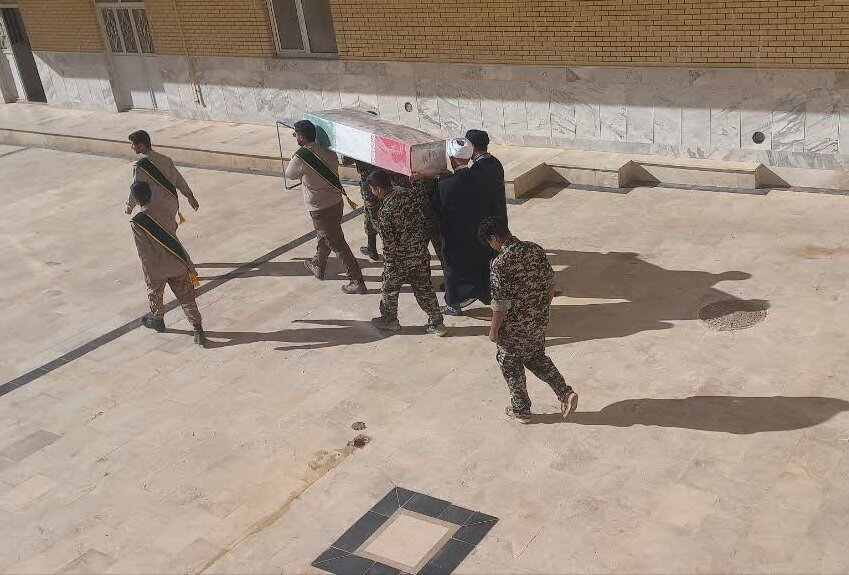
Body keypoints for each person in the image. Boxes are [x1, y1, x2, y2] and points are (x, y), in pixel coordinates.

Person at [480, 216, 577, 423]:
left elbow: (500, 304)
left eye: (490, 241)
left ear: (494, 237)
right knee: (536, 358)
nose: (491, 246)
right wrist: (539, 310)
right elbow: (550, 285)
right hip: (539, 319)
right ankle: (565, 393)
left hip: (514, 327)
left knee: (510, 363)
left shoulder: (500, 263)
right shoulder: (535, 249)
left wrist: (493, 329)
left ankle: (521, 410)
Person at [285, 120, 367, 294]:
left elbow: (289, 174)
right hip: (336, 202)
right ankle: (318, 264)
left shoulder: (301, 157)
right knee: (326, 235)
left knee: (337, 243)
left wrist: (295, 156)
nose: (295, 137)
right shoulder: (328, 150)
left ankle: (356, 280)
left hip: (319, 207)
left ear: (301, 136)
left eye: (296, 135)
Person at [366, 169, 447, 336]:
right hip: (419, 253)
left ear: (378, 189)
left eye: (372, 189)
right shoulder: (410, 194)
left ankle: (389, 320)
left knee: (389, 289)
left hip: (399, 260)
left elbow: (389, 244)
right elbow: (424, 193)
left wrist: (389, 266)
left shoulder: (385, 212)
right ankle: (436, 322)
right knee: (424, 289)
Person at [129, 181, 206, 347]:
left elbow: (144, 252)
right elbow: (173, 227)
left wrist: (148, 274)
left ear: (136, 199)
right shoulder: (164, 210)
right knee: (187, 297)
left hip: (157, 267)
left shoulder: (138, 222)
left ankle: (158, 320)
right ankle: (198, 329)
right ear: (150, 193)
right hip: (177, 260)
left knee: (155, 294)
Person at [438, 138, 496, 316]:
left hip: (454, 236)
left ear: (452, 159)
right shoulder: (481, 178)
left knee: (451, 268)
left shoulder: (445, 185)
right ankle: (484, 294)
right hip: (479, 232)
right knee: (480, 263)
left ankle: (453, 304)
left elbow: (438, 209)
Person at [127, 130, 200, 223]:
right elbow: (179, 180)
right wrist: (190, 196)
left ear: (141, 146)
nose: (131, 147)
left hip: (156, 207)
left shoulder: (140, 167)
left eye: (133, 144)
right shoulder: (166, 160)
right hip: (172, 205)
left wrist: (129, 206)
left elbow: (136, 188)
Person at [465, 129, 507, 222]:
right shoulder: (495, 162)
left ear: (472, 146)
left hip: (488, 222)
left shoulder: (477, 169)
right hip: (499, 217)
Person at [346, 157, 382, 261]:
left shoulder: (359, 147)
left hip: (370, 187)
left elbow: (346, 161)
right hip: (381, 183)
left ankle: (393, 249)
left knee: (375, 218)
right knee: (369, 215)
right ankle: (371, 247)